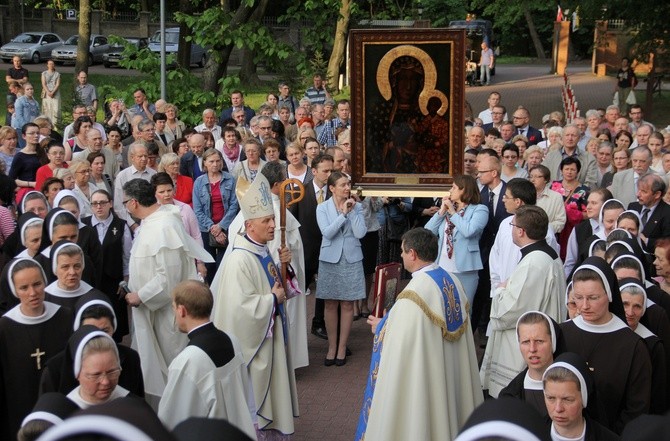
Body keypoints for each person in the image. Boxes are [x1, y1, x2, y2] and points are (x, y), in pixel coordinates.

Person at [356, 227, 483, 440]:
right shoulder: (452, 281)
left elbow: (402, 343)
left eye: (403, 252)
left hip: (428, 384)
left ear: (413, 254)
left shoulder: (414, 294)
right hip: (450, 375)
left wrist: (381, 327)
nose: (402, 256)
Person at [211, 172, 299, 438]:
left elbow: (279, 284)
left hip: (270, 337)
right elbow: (240, 310)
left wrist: (287, 267)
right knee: (259, 405)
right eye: (267, 221)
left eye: (273, 219)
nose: (273, 225)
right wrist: (272, 300)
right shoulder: (240, 260)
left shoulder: (262, 250)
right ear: (250, 226)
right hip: (257, 345)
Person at [122, 178, 213, 406]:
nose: (124, 207)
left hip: (166, 316)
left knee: (170, 374)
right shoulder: (152, 223)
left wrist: (140, 295)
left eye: (124, 202)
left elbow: (168, 278)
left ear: (133, 203)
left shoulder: (164, 226)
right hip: (152, 313)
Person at [481, 205, 566, 398]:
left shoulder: (533, 262)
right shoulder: (546, 255)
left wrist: (501, 289)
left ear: (521, 231)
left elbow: (509, 311)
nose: (511, 229)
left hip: (524, 346)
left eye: (512, 225)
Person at [560, 257, 651, 433]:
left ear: (609, 295)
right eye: (578, 297)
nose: (584, 306)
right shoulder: (562, 333)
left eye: (593, 298)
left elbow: (637, 407)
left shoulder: (633, 346)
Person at [157, 280, 256, 437]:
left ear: (182, 311)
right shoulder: (233, 341)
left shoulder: (188, 361)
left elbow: (171, 419)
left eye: (174, 308)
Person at [0, 258, 72, 440]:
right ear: (14, 290)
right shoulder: (4, 328)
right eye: (24, 288)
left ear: (45, 283)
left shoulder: (64, 316)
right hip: (18, 403)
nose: (33, 292)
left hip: (57, 400)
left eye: (37, 284)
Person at [316, 171, 366, 366]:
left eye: (348, 184)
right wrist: (342, 214)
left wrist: (352, 212)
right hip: (329, 259)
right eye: (343, 185)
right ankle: (331, 346)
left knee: (347, 304)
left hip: (352, 258)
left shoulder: (357, 207)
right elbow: (327, 233)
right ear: (332, 188)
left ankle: (342, 347)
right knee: (330, 303)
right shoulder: (322, 208)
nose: (347, 188)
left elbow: (361, 233)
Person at [424, 174, 488, 304]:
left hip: (465, 269)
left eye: (453, 187)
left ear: (463, 189)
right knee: (442, 307)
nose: (450, 191)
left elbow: (469, 231)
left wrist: (453, 213)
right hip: (442, 266)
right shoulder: (448, 210)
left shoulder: (480, 209)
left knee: (464, 308)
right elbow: (428, 231)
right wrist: (441, 212)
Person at [499, 311, 564, 418]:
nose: (532, 349)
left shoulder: (574, 389)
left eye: (539, 341)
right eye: (526, 342)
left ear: (553, 342)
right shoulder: (509, 396)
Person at [543, 353, 619, 441]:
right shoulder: (530, 436)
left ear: (583, 399)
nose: (558, 408)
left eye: (567, 399)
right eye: (551, 398)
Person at [619, 279, 668, 414]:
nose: (630, 312)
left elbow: (658, 393)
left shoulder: (653, 345)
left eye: (637, 306)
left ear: (644, 309)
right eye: (625, 304)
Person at [192, 148, 238, 283]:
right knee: (209, 265)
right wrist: (213, 228)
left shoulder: (230, 179)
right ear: (205, 163)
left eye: (218, 161)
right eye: (211, 161)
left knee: (224, 263)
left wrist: (221, 226)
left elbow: (234, 205)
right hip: (206, 229)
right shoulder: (199, 182)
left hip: (227, 226)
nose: (215, 164)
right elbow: (198, 209)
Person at [64, 326, 130, 408]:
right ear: (78, 374)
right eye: (96, 375)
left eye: (111, 372)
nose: (105, 382)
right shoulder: (67, 413)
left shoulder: (133, 406)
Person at [551, 157, 590, 260]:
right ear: (561, 170)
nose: (569, 172)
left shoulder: (584, 191)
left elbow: (588, 213)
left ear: (577, 172)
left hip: (572, 231)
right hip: (555, 229)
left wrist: (574, 214)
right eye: (567, 169)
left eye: (573, 169)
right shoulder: (553, 186)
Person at [629, 173, 670, 251]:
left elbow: (667, 243)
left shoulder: (667, 213)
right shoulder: (633, 207)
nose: (638, 194)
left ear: (657, 194)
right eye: (638, 190)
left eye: (644, 191)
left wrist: (646, 241)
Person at [529, 165, 567, 234]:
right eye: (531, 176)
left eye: (537, 176)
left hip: (547, 236)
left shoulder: (556, 197)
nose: (532, 180)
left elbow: (560, 222)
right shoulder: (525, 195)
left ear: (546, 179)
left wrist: (542, 228)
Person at [40, 60, 61, 127]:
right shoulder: (44, 73)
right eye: (49, 64)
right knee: (47, 108)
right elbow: (43, 84)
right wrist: (48, 92)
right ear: (47, 65)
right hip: (46, 92)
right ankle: (46, 124)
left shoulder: (57, 74)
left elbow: (57, 84)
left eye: (52, 64)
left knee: (56, 108)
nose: (51, 65)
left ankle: (56, 124)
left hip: (55, 92)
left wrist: (52, 92)